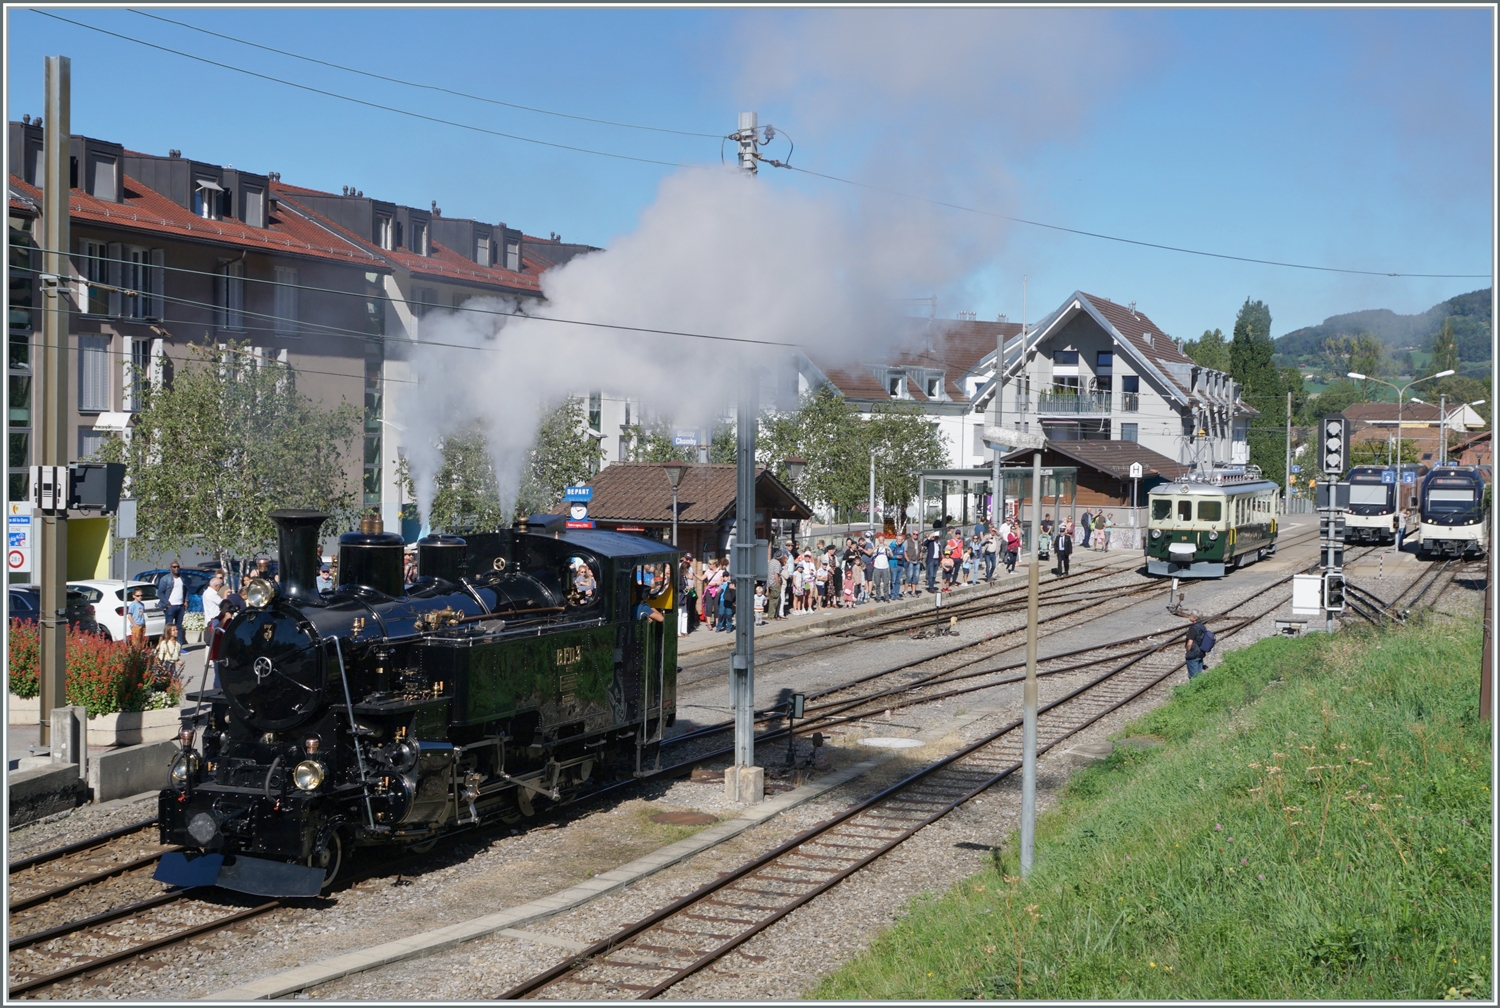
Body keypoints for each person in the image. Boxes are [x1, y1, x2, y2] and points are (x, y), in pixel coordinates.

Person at [155, 562, 188, 640]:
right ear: (170, 568)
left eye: (177, 567)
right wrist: (167, 604)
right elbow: (160, 593)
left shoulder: (182, 578)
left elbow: (186, 590)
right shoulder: (165, 579)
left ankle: (179, 646)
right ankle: (167, 644)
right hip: (171, 606)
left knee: (179, 626)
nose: (176, 568)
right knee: (169, 627)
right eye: (174, 567)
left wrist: (186, 601)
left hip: (180, 606)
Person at [152, 624, 184, 688]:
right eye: (173, 630)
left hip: (172, 666)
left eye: (176, 629)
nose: (176, 631)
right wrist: (162, 668)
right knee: (163, 685)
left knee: (176, 684)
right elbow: (157, 657)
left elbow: (175, 655)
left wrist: (178, 660)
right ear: (169, 632)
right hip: (164, 665)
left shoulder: (178, 644)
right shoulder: (164, 643)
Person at [1184, 610, 1208, 678]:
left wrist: (1187, 651)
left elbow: (1190, 643)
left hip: (1193, 654)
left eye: (1191, 615)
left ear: (1195, 618)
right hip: (1201, 653)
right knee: (1199, 675)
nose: (1189, 616)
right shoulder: (1202, 627)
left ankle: (1194, 688)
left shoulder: (1193, 629)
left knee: (1193, 676)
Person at [871, 536, 892, 602]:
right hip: (877, 567)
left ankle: (886, 597)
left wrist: (888, 548)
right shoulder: (876, 548)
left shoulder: (886, 548)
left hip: (885, 567)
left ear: (884, 540)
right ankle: (878, 597)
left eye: (882, 540)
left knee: (886, 583)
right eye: (879, 540)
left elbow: (891, 555)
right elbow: (871, 554)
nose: (880, 541)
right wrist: (875, 548)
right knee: (877, 583)